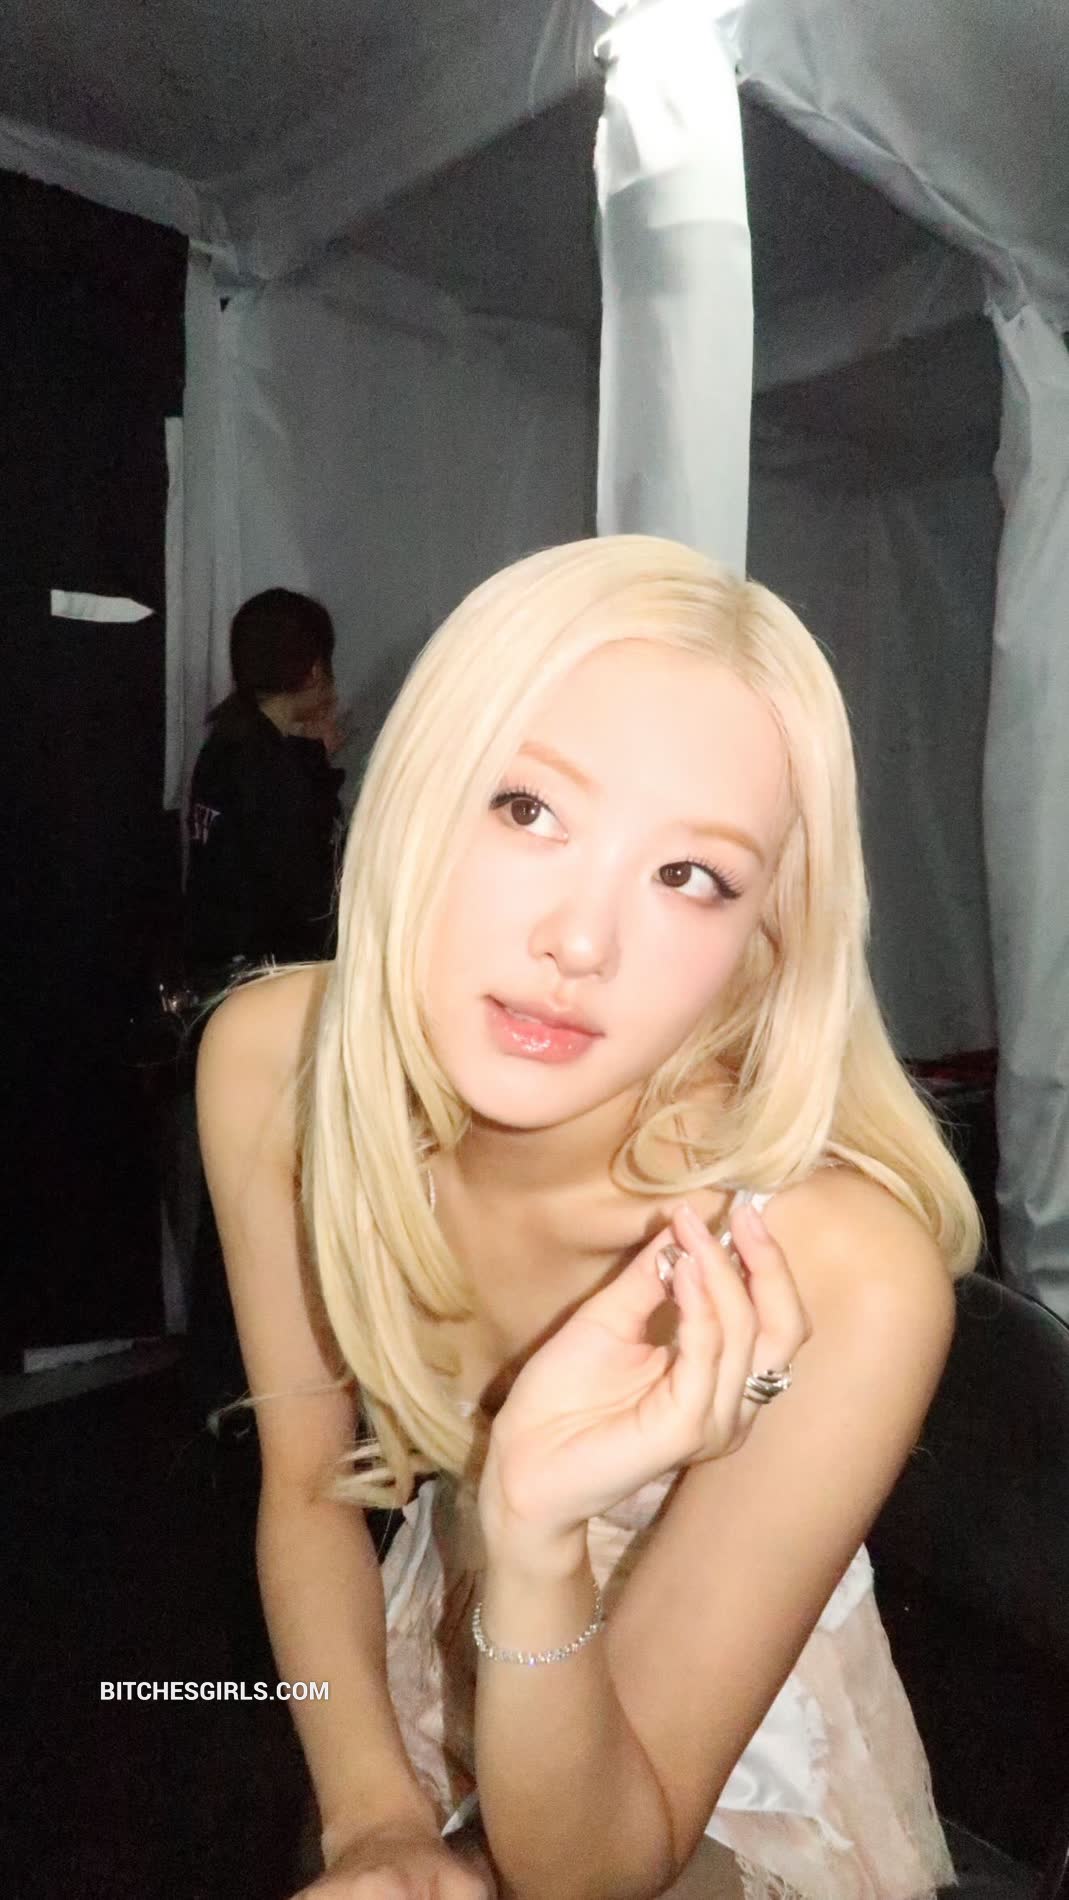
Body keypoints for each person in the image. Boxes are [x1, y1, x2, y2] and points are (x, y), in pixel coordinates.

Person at [196, 537, 979, 1900]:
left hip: (708, 1760)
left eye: (691, 876)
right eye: (528, 808)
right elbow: (308, 1487)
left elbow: (601, 1866)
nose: (581, 941)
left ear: (763, 942)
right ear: (416, 789)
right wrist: (373, 1818)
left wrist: (535, 1534)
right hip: (431, 1638)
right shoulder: (273, 1066)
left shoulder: (843, 1271)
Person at [184, 587, 346, 993]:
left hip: (216, 963)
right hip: (259, 978)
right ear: (314, 670)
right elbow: (306, 897)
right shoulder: (267, 765)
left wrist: (313, 756)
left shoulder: (224, 743)